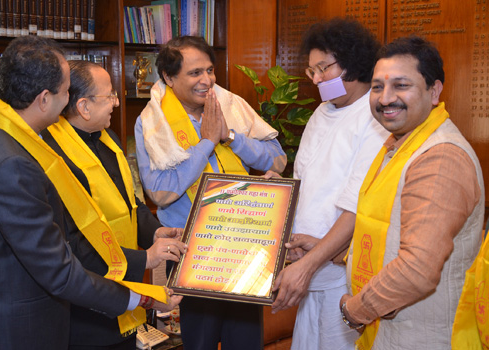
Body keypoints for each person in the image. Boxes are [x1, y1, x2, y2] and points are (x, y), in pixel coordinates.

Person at [0, 36, 181, 350]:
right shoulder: (13, 164)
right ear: (44, 99)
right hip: (15, 332)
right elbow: (58, 270)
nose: (68, 100)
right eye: (66, 91)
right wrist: (143, 298)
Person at [134, 35, 287, 350]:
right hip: (195, 251)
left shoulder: (231, 106)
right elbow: (160, 194)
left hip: (244, 244)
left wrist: (230, 136)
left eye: (210, 71)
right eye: (195, 73)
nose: (207, 81)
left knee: (245, 340)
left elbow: (278, 160)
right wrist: (206, 143)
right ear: (168, 77)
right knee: (200, 341)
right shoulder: (152, 123)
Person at [340, 36, 484, 350]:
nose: (385, 98)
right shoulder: (400, 143)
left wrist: (354, 311)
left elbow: (417, 270)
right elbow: (386, 226)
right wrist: (341, 254)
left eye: (401, 85)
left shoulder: (440, 156)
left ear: (434, 92)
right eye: (377, 87)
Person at [41, 60, 187, 349]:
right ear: (83, 106)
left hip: (127, 297)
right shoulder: (53, 157)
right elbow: (74, 240)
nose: (117, 103)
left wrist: (156, 233)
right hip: (86, 306)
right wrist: (145, 259)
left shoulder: (111, 140)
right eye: (109, 96)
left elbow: (133, 203)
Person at [269, 18, 389, 350]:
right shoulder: (322, 112)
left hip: (341, 274)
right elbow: (304, 181)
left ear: (353, 62)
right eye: (312, 71)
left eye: (325, 68)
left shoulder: (374, 116)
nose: (318, 78)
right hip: (308, 268)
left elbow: (356, 206)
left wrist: (308, 265)